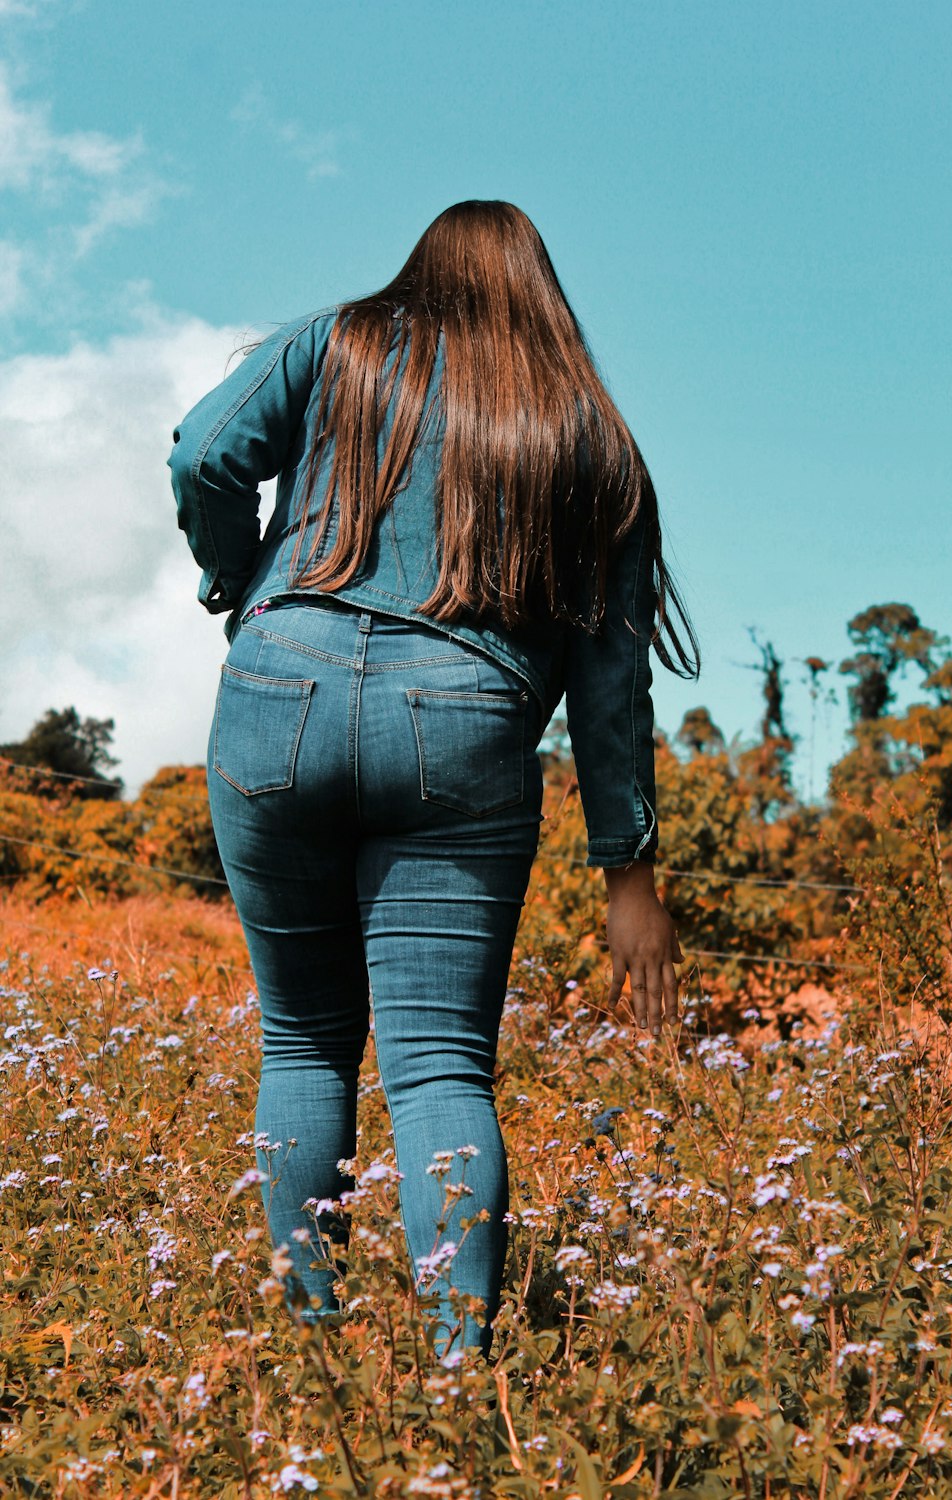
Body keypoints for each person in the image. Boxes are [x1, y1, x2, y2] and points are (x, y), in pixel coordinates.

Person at [168, 199, 700, 1363]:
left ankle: (313, 1360)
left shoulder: (333, 344)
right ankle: (459, 1374)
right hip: (464, 721)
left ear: (419, 274)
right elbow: (612, 695)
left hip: (279, 691)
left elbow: (206, 454)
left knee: (304, 1043)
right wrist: (630, 875)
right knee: (439, 1064)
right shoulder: (591, 437)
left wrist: (237, 584)